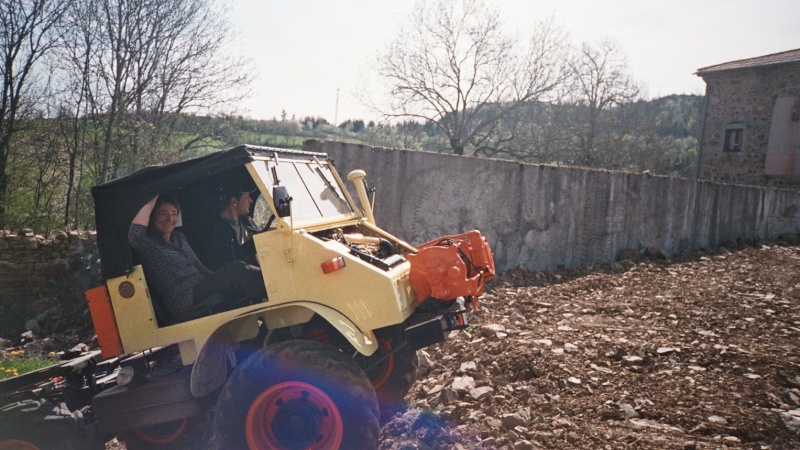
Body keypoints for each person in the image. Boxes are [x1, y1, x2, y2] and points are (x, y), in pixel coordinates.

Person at [129, 193, 267, 320]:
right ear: (153, 217)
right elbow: (135, 233)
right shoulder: (149, 244)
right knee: (238, 269)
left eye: (174, 213)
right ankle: (277, 295)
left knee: (249, 260)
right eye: (163, 214)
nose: (170, 219)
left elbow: (198, 265)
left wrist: (219, 278)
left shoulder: (179, 237)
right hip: (183, 297)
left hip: (200, 285)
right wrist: (154, 194)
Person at [192, 184, 260, 271]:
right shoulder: (215, 230)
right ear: (234, 202)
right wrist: (253, 243)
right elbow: (229, 262)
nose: (251, 201)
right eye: (247, 197)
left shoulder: (247, 221)